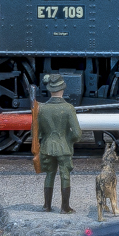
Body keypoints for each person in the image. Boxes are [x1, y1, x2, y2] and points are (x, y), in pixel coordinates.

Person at [38, 73, 81, 213]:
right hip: (64, 147)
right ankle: (65, 207)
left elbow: (37, 134)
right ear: (63, 89)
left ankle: (46, 206)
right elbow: (77, 133)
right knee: (65, 174)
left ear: (50, 90)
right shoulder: (68, 108)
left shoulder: (41, 109)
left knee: (49, 174)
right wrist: (68, 140)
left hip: (46, 147)